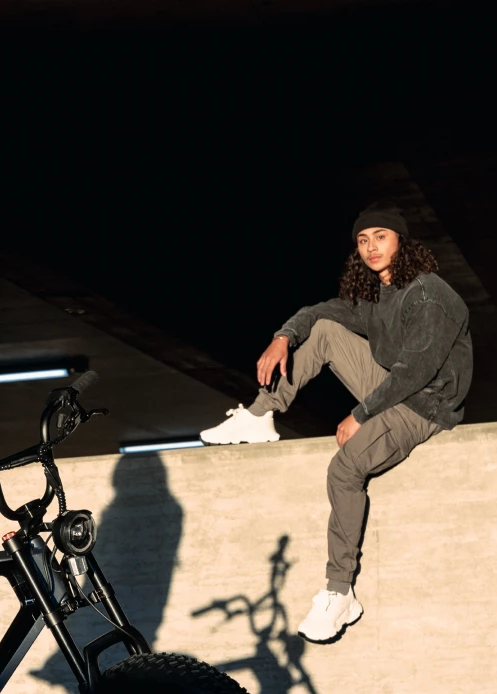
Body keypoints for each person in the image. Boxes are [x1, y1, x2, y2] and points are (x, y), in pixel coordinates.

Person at [200, 202, 472, 642]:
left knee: (344, 468)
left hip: (425, 406)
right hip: (396, 390)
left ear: (402, 241)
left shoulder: (429, 295)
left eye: (380, 237)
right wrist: (283, 336)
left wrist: (362, 414)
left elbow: (416, 372)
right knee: (324, 330)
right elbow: (320, 311)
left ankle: (340, 592)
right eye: (363, 241)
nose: (370, 248)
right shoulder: (379, 297)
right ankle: (259, 414)